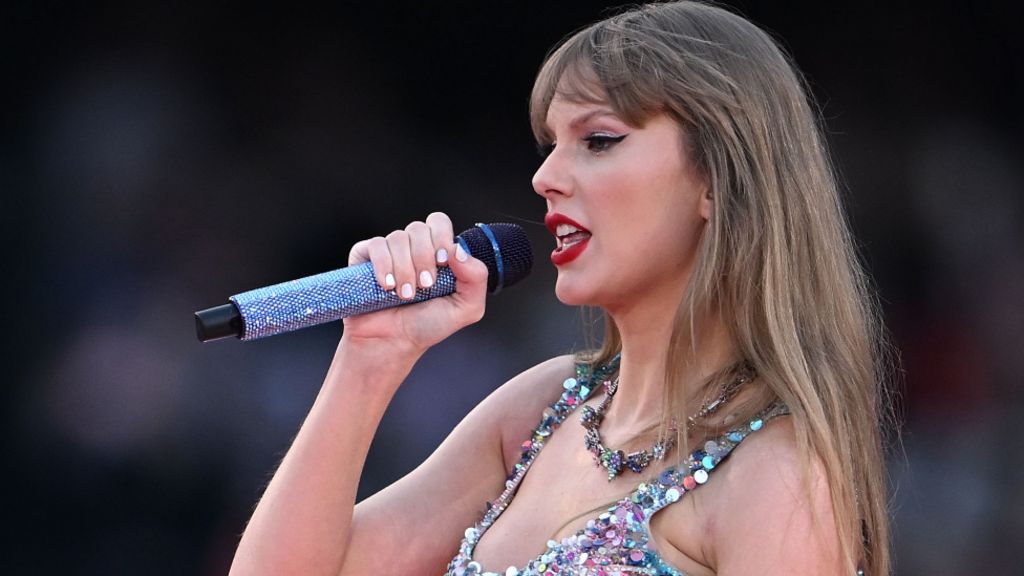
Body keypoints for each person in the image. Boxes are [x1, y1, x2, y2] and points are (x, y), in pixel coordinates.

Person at [228, 2, 892, 575]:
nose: (546, 176)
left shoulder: (775, 475)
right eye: (550, 144)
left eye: (598, 140)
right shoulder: (534, 414)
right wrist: (369, 361)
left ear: (719, 178)